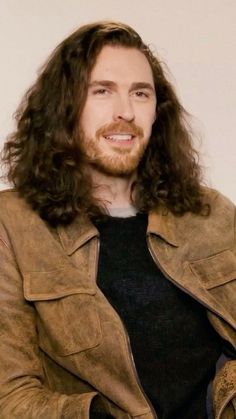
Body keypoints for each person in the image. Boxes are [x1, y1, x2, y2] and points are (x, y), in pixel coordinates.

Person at [0, 20, 235, 419]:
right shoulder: (14, 225)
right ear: (66, 106)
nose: (125, 112)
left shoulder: (211, 212)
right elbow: (11, 398)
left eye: (140, 94)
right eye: (102, 91)